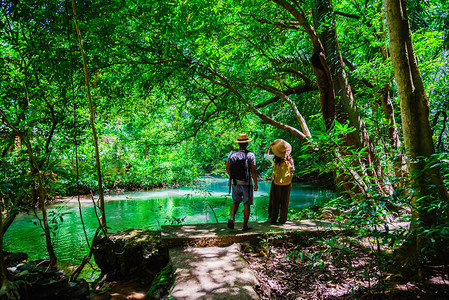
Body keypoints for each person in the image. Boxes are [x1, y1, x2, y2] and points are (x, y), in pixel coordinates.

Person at [226, 133, 258, 231]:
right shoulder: (250, 155)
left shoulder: (231, 153)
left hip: (235, 183)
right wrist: (256, 183)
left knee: (235, 202)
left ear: (238, 143)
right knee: (246, 204)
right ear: (247, 144)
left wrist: (233, 177)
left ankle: (232, 219)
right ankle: (245, 226)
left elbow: (227, 168)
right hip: (247, 183)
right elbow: (253, 170)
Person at [265, 139, 295, 224]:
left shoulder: (274, 159)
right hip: (287, 183)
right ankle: (283, 219)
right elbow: (293, 170)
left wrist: (269, 147)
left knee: (275, 201)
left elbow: (265, 155)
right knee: (285, 201)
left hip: (276, 183)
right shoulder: (290, 160)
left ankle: (273, 219)